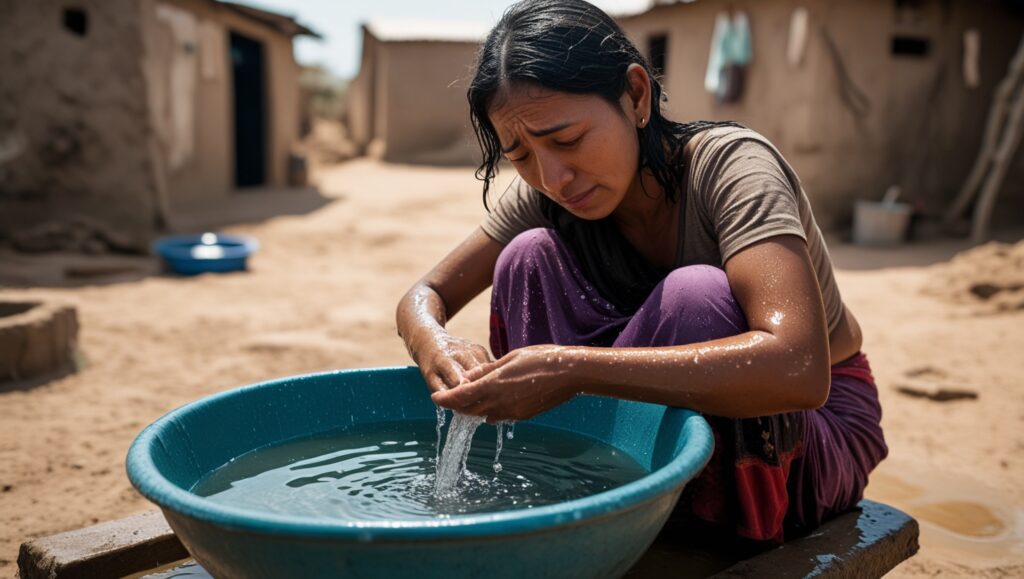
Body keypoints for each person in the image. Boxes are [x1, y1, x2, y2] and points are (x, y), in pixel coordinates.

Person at [395, 0, 886, 543]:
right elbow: (426, 292)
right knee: (526, 257)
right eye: (520, 155)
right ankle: (574, 489)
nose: (552, 177)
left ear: (635, 96)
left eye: (567, 140)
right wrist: (435, 343)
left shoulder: (733, 168)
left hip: (812, 428)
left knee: (695, 297)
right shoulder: (553, 194)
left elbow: (800, 369)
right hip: (643, 403)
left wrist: (571, 369)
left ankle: (716, 535)